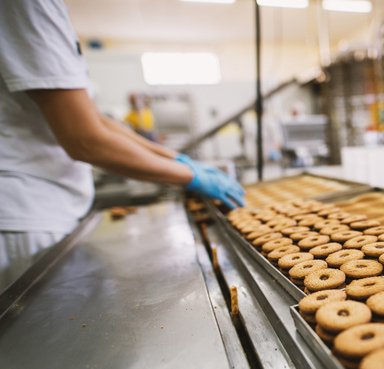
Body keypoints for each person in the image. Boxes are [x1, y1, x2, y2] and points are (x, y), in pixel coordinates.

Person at [0, 0, 244, 292]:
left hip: (50, 207)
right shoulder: (27, 5)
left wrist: (178, 159)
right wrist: (190, 177)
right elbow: (85, 140)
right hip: (29, 211)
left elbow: (97, 122)